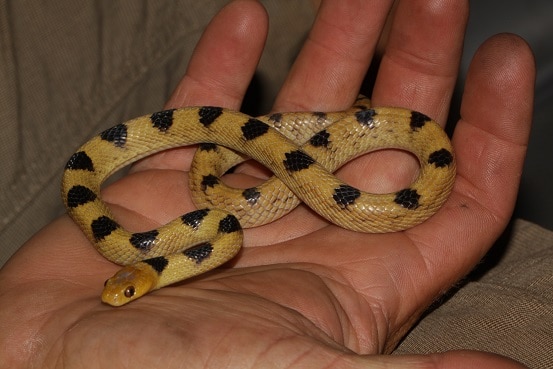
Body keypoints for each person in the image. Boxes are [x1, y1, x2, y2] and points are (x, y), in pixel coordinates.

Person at [0, 1, 535, 368]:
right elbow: (217, 223)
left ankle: (335, 122)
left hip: (236, 190)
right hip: (208, 210)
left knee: (244, 148)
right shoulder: (206, 234)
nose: (120, 292)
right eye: (128, 288)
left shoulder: (202, 233)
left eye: (128, 286)